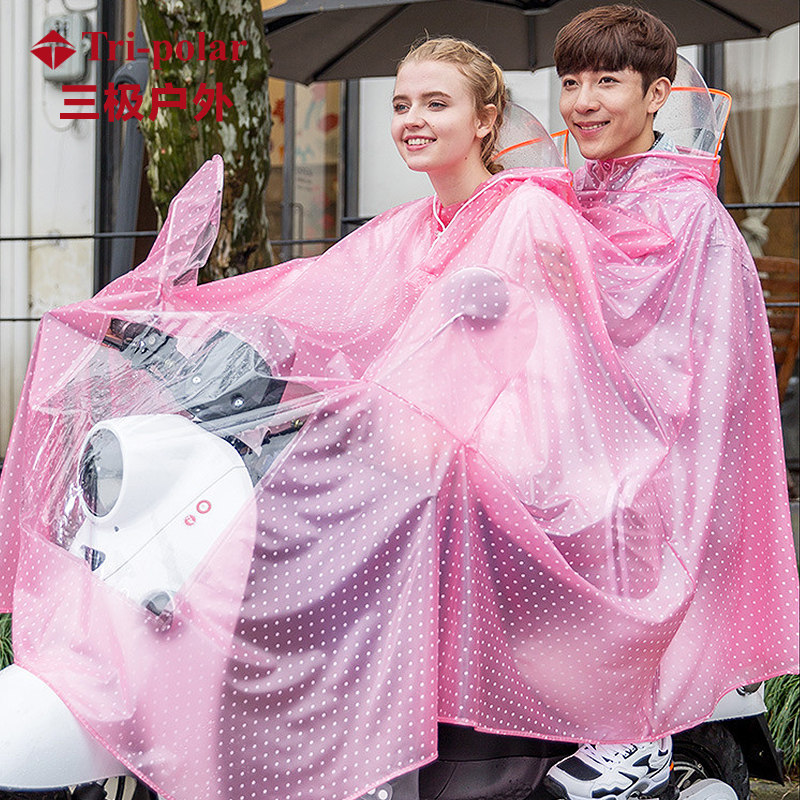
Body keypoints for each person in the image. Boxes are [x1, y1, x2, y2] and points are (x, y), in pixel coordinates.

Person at [545, 6, 800, 800]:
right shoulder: (573, 192)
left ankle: (639, 740)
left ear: (658, 94)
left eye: (607, 81)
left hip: (655, 458)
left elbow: (676, 362)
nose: (583, 101)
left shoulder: (685, 211)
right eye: (570, 82)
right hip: (577, 441)